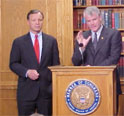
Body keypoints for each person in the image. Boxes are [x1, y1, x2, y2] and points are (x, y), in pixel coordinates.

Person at [9, 9, 60, 116]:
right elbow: (13, 64)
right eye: (34, 20)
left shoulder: (51, 41)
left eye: (40, 20)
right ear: (28, 22)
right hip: (26, 92)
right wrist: (27, 72)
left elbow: (56, 66)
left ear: (43, 21)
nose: (37, 23)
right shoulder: (19, 42)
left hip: (46, 93)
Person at [72, 6, 122, 113]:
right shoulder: (83, 36)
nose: (92, 23)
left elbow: (114, 59)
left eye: (94, 19)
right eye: (89, 21)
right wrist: (81, 48)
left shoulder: (113, 34)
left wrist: (94, 69)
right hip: (88, 86)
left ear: (100, 18)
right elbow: (75, 62)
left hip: (108, 83)